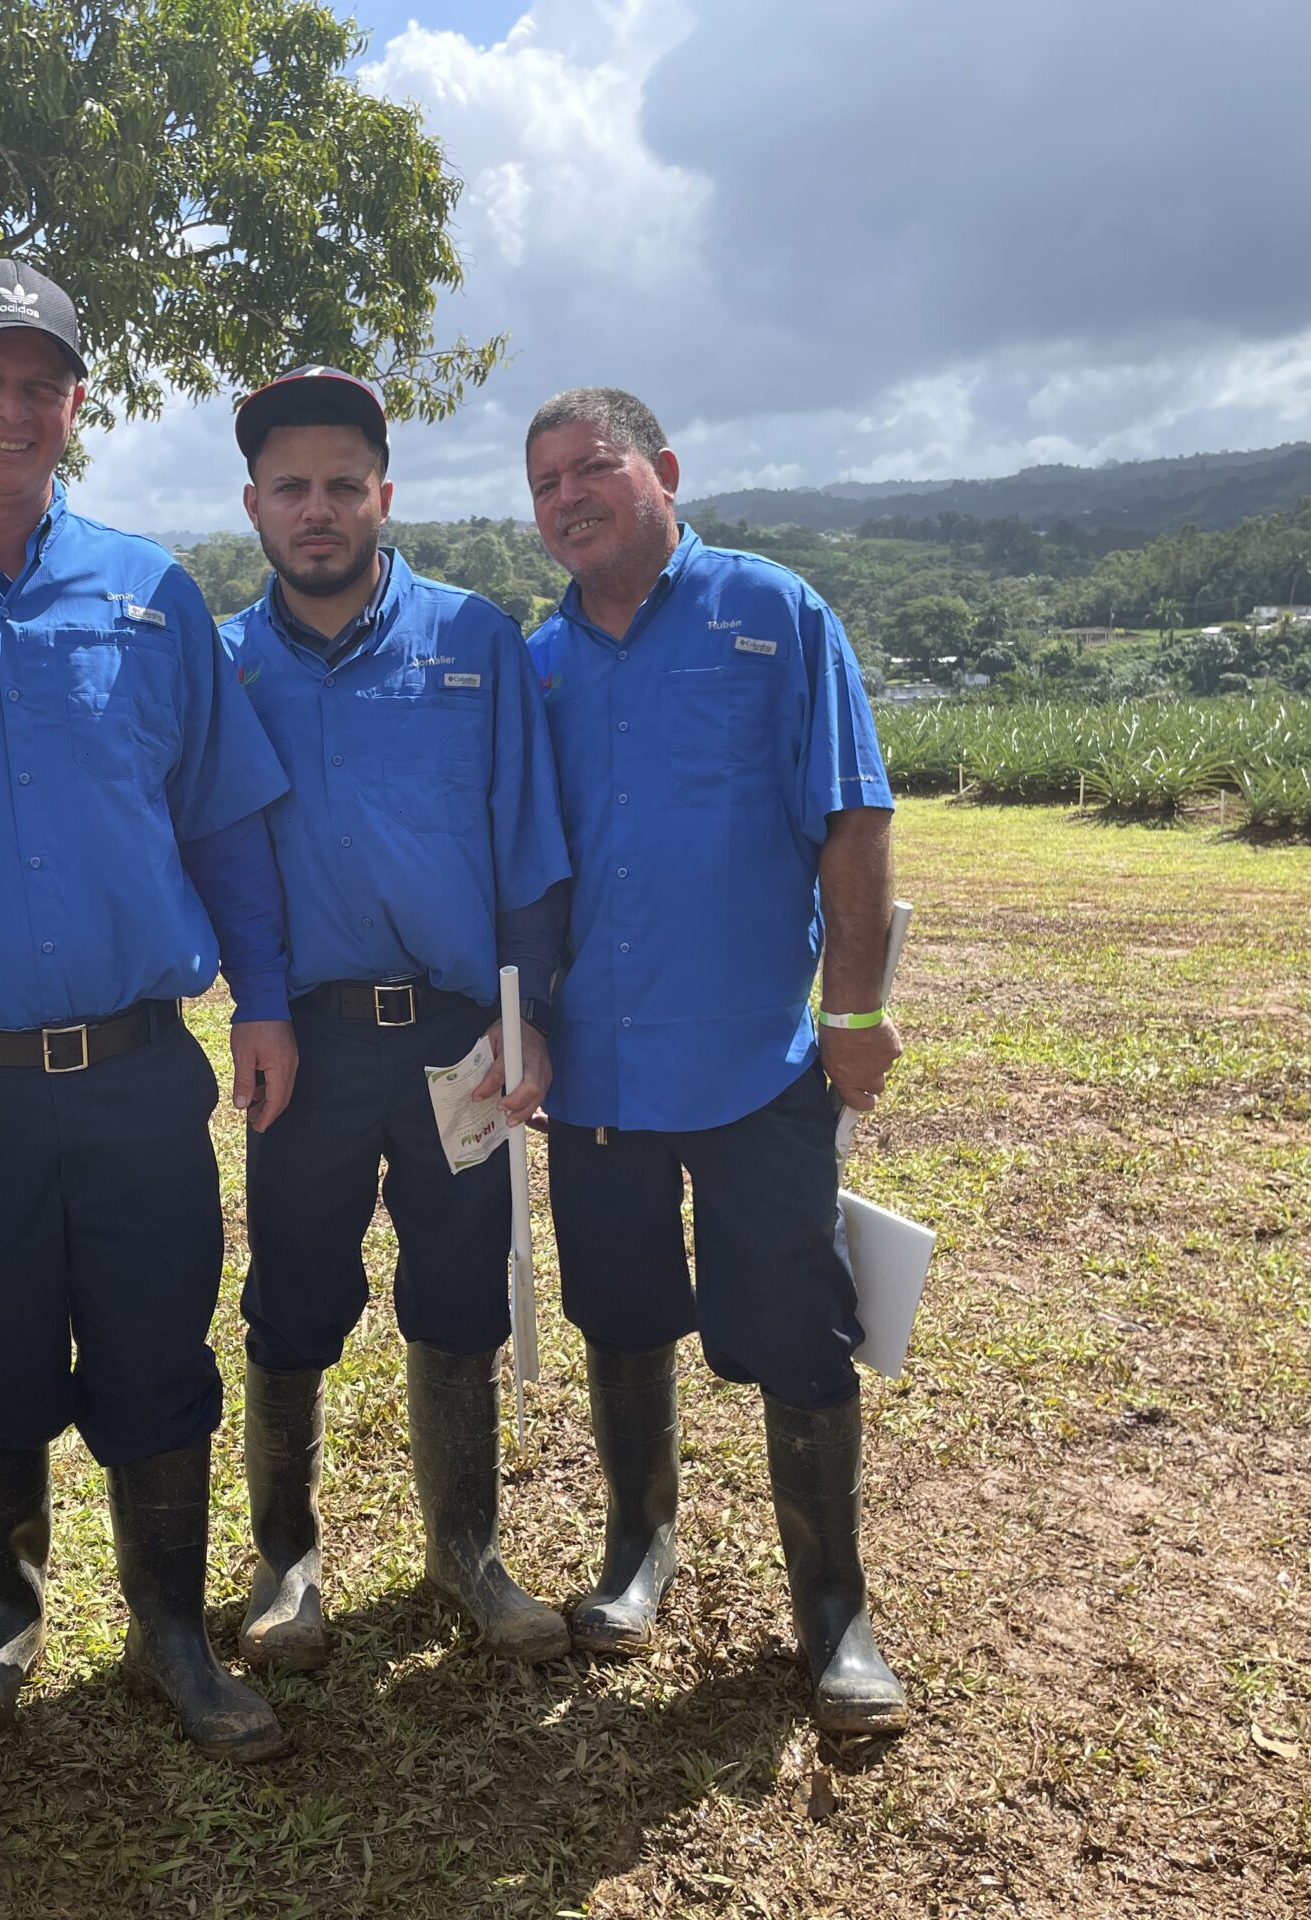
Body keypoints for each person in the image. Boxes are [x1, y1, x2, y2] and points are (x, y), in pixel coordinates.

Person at [0, 260, 298, 1764]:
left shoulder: (151, 596)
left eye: (41, 383)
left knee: (161, 1349)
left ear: (74, 405)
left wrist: (265, 1005)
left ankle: (170, 1631)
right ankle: (2, 1624)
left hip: (143, 1072)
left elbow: (222, 823)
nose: (11, 407)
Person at [522, 386, 911, 1735]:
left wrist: (854, 1015)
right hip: (599, 1077)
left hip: (758, 1064)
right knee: (620, 1318)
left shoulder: (774, 615)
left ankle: (835, 1609)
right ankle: (639, 1551)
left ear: (664, 471)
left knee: (795, 1336)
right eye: (546, 481)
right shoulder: (541, 664)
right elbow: (524, 868)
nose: (569, 495)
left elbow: (851, 822)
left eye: (594, 467)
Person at [215, 366, 572, 1670]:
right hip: (302, 1037)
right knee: (294, 1292)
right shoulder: (228, 666)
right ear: (255, 503)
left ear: (384, 496)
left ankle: (465, 1550)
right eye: (293, 489)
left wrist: (530, 1016)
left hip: (458, 1036)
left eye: (344, 487)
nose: (320, 511)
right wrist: (255, 1007)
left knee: (460, 1289)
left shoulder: (474, 639)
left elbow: (528, 843)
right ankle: (285, 1560)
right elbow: (231, 861)